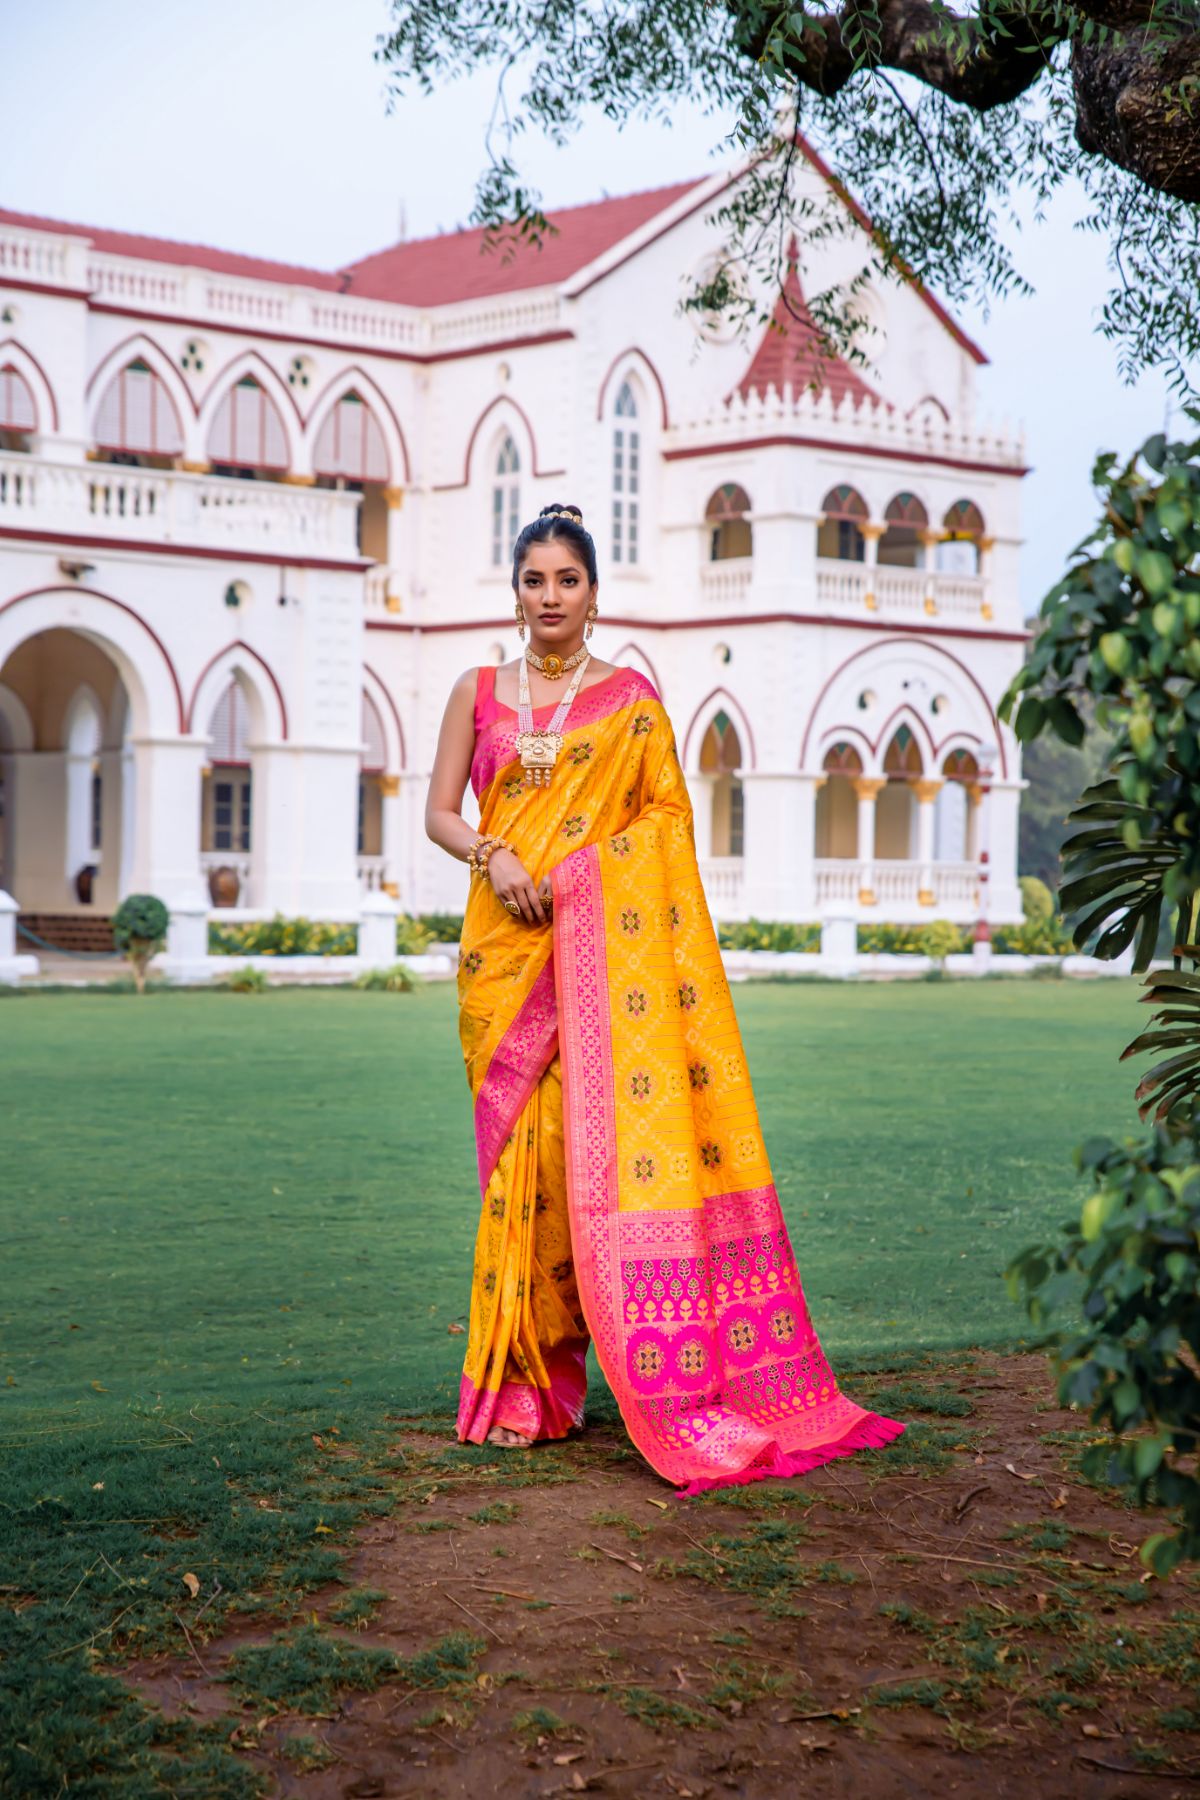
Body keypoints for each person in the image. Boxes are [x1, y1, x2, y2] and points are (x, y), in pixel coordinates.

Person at [425, 503, 904, 1493]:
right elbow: (437, 811)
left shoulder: (632, 701)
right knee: (519, 1174)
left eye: (567, 580)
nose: (549, 597)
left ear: (594, 594)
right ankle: (520, 1387)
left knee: (577, 1167)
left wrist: (582, 880)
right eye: (533, 580)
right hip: (501, 962)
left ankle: (564, 1387)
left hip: (597, 968)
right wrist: (495, 848)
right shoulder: (475, 692)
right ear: (514, 591)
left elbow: (667, 826)